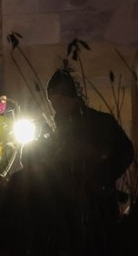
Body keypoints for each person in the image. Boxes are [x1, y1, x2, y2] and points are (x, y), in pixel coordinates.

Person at [46, 68, 134, 225]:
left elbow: (125, 151)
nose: (55, 107)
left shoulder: (99, 122)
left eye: (58, 101)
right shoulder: (57, 128)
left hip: (97, 203)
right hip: (67, 207)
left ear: (70, 97)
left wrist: (102, 178)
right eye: (52, 102)